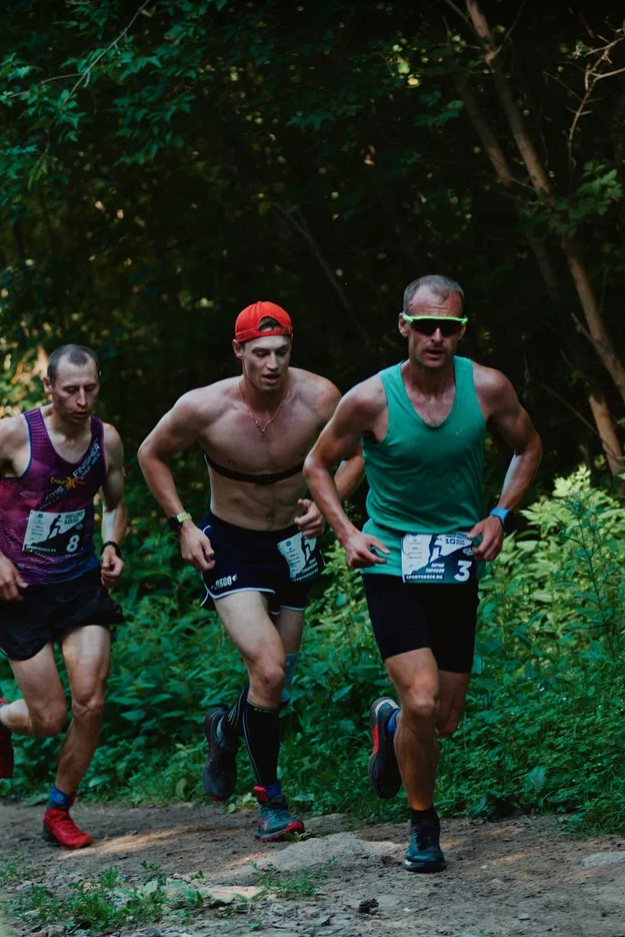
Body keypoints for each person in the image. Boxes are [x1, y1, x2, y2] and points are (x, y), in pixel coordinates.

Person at [304, 275, 542, 872]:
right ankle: (423, 827)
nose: (437, 337)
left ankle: (389, 725)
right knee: (422, 696)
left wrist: (499, 515)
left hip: (457, 559)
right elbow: (317, 464)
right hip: (392, 562)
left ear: (461, 330)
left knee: (445, 718)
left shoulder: (487, 387)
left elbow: (528, 446)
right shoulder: (369, 399)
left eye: (449, 327)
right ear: (404, 326)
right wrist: (348, 533)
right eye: (426, 325)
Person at [138, 301, 362, 842]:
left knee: (277, 680)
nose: (272, 364)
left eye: (281, 352)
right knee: (268, 669)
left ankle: (224, 728)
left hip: (294, 543)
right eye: (260, 353)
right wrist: (183, 524)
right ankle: (271, 803)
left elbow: (357, 455)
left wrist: (328, 503)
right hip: (231, 545)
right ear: (238, 350)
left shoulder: (320, 397)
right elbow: (151, 454)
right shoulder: (203, 407)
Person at [0, 344, 127, 849]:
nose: (81, 400)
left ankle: (59, 809)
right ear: (48, 387)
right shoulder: (14, 434)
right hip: (20, 593)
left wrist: (112, 545)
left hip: (78, 583)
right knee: (49, 719)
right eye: (70, 389)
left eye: (90, 388)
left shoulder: (105, 439)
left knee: (91, 702)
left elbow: (115, 503)